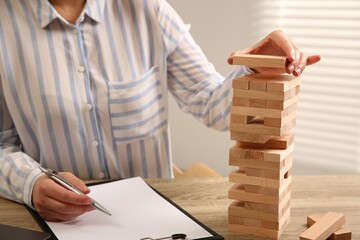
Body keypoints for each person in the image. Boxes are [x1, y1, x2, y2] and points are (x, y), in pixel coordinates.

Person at [0, 0, 320, 222]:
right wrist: (30, 183)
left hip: (154, 225)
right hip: (56, 224)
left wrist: (257, 68)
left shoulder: (149, 9)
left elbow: (212, 104)